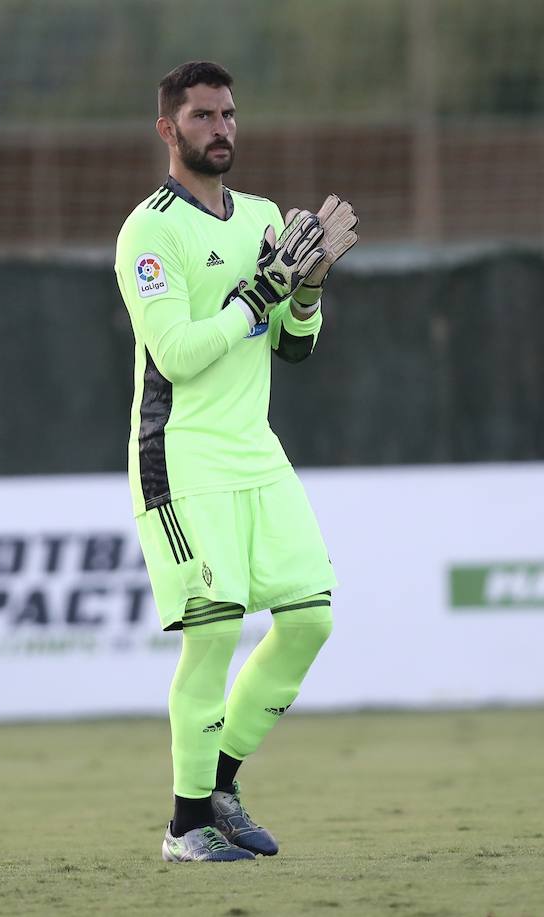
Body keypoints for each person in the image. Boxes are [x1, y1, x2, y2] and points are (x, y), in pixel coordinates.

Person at [113, 60, 359, 863]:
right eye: (202, 116)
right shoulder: (150, 230)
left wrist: (307, 289)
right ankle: (186, 828)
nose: (220, 128)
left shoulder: (260, 217)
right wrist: (258, 293)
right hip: (181, 457)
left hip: (257, 453)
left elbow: (293, 345)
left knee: (310, 619)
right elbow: (178, 354)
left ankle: (216, 785)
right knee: (215, 632)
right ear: (168, 129)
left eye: (227, 115)